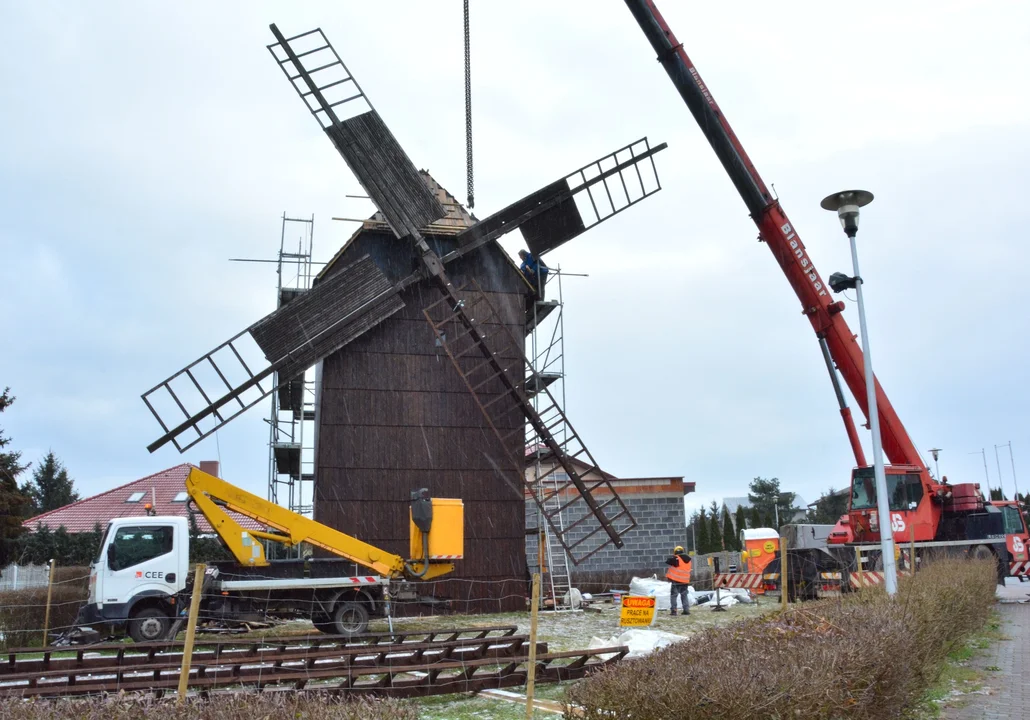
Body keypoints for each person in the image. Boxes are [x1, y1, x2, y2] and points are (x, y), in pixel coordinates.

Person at [665, 545, 692, 616]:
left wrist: (673, 557)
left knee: (674, 595)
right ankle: (686, 610)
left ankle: (674, 610)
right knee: (684, 595)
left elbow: (668, 561)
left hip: (676, 581)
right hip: (685, 581)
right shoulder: (688, 560)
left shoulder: (676, 558)